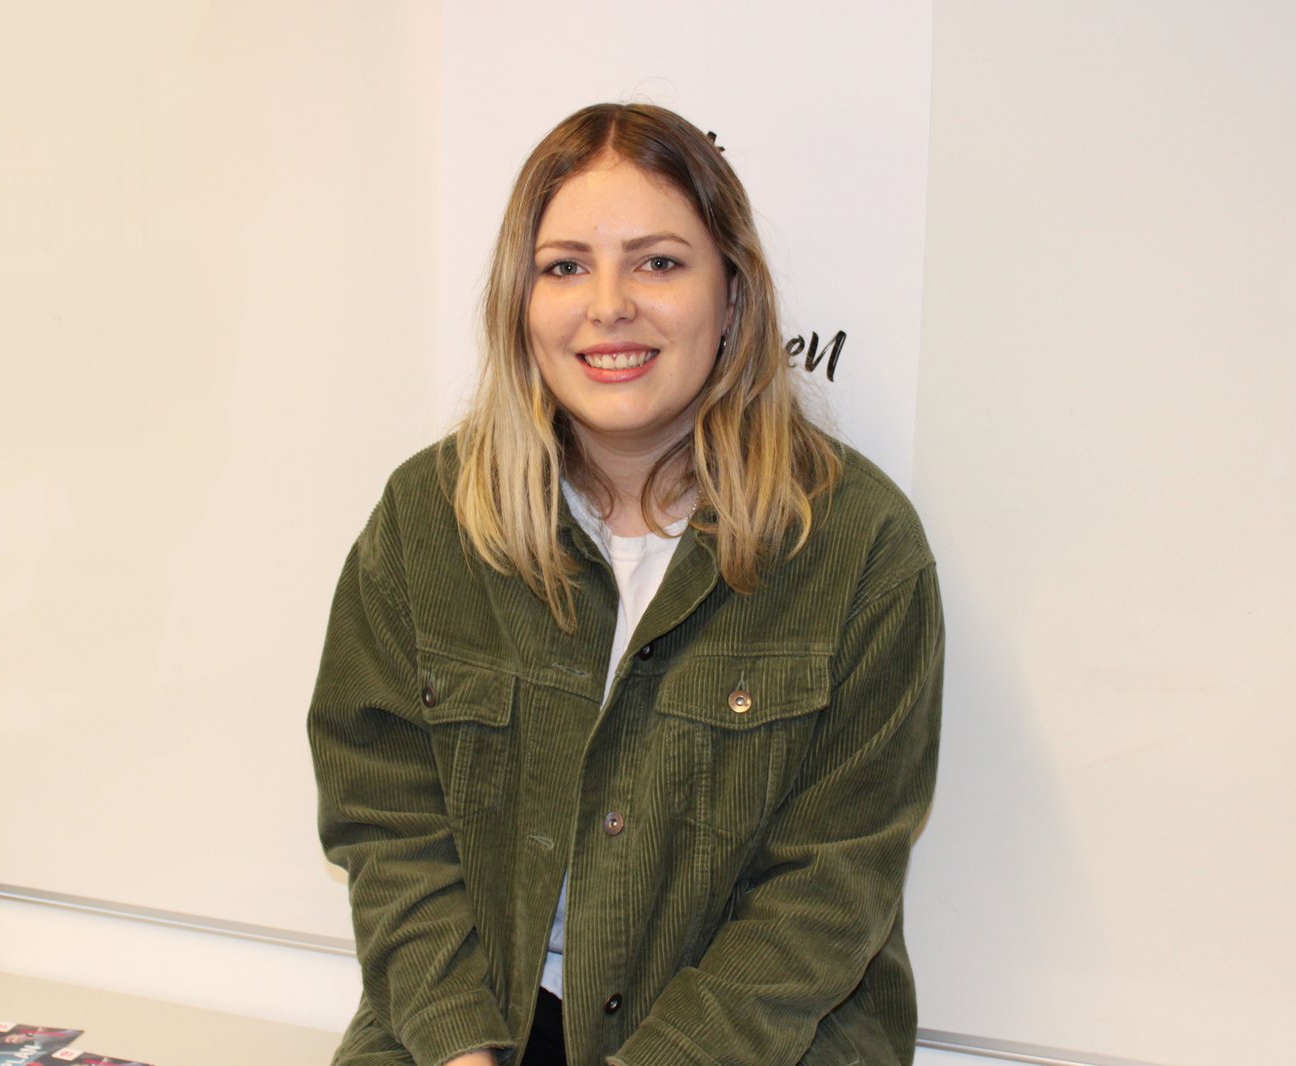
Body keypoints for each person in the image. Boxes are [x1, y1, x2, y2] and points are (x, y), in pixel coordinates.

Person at [308, 102, 943, 1066]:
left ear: (733, 296)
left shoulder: (860, 550)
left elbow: (826, 895)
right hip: (478, 1032)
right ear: (520, 304)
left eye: (658, 261)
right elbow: (387, 821)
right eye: (565, 266)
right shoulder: (425, 522)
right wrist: (458, 1048)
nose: (609, 304)